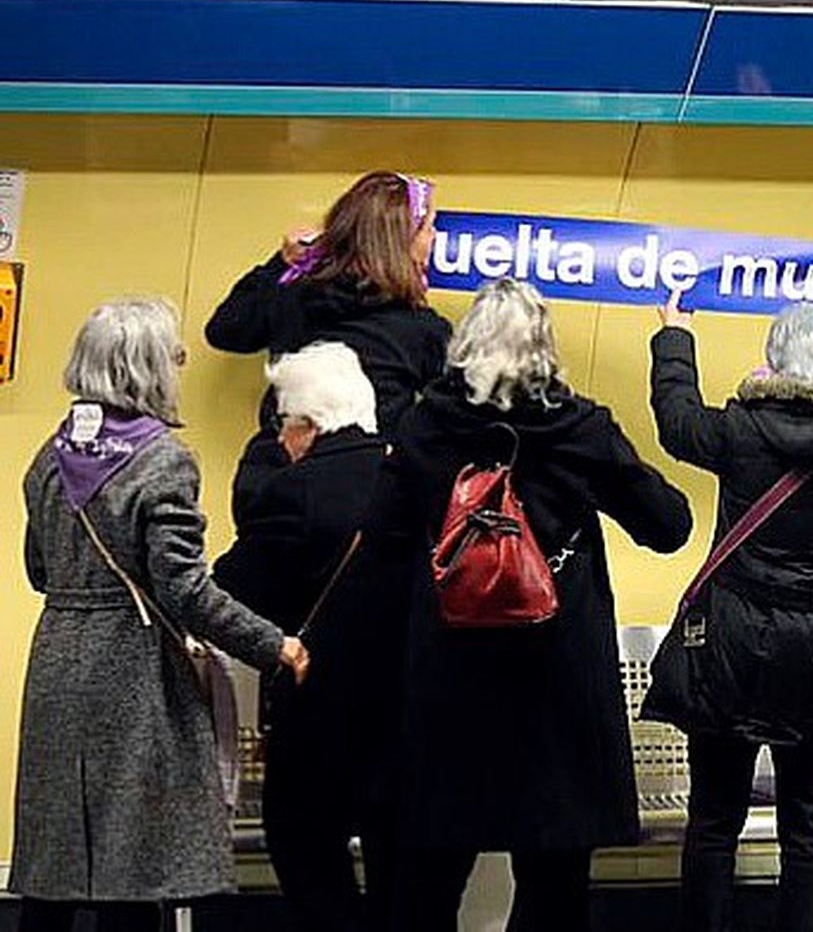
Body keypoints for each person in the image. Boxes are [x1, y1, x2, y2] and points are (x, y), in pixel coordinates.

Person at [375, 278, 692, 931]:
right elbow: (669, 525)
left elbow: (381, 537)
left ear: (463, 349)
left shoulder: (423, 428)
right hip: (557, 684)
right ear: (545, 349)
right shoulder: (579, 428)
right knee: (554, 885)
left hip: (449, 683)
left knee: (428, 880)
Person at [11, 299, 309, 932]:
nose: (180, 363)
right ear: (145, 367)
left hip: (58, 660)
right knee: (137, 865)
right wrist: (272, 645)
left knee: (55, 861)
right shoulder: (162, 461)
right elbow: (185, 591)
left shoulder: (49, 456)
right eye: (173, 354)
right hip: (134, 669)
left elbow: (39, 570)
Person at [642, 296, 813, 932]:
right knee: (808, 818)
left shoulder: (740, 430)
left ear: (775, 361)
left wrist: (675, 339)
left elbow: (676, 421)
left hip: (733, 645)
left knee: (715, 816)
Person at [212, 342, 399, 932]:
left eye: (284, 428)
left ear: (307, 426)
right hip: (411, 723)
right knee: (402, 879)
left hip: (319, 721)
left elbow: (228, 594)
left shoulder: (295, 492)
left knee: (304, 851)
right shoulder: (416, 479)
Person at [205, 170, 453, 503]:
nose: (435, 237)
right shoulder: (421, 330)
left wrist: (280, 264)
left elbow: (227, 331)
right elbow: (452, 419)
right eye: (427, 227)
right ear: (400, 242)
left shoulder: (294, 295)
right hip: (362, 501)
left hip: (273, 485)